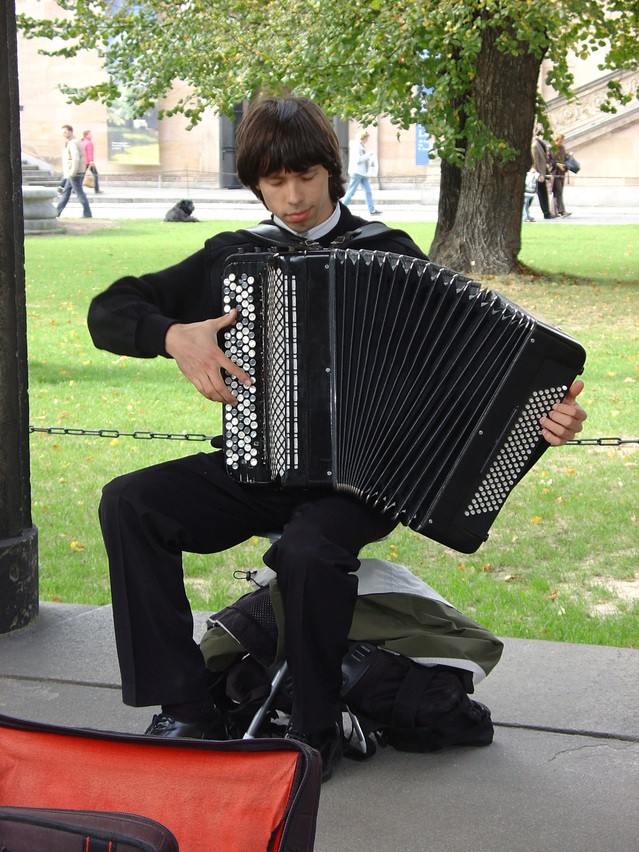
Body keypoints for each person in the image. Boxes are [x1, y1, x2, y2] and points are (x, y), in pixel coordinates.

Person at [87, 96, 587, 782]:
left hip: (367, 478)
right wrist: (173, 336)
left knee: (309, 549)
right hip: (261, 463)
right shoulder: (234, 257)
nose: (291, 197)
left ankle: (314, 728)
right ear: (254, 184)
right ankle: (185, 706)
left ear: (332, 171)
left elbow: (476, 374)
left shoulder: (389, 255)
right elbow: (109, 310)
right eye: (273, 182)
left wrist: (543, 422)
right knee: (130, 502)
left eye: (305, 177)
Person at [342, 129, 381, 214]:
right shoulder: (357, 146)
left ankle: (372, 209)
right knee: (351, 191)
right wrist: (368, 155)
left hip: (362, 173)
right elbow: (358, 160)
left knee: (368, 191)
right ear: (363, 138)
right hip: (357, 172)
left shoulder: (360, 145)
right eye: (366, 138)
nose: (367, 140)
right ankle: (342, 208)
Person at [57, 125, 92, 218]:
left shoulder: (72, 143)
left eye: (65, 132)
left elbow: (75, 158)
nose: (63, 134)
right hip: (75, 172)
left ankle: (87, 213)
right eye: (63, 132)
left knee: (80, 193)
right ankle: (57, 212)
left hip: (75, 173)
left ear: (70, 132)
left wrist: (72, 173)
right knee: (66, 192)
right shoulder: (76, 141)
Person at [531, 129, 555, 220]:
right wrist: (539, 173)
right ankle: (546, 212)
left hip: (542, 172)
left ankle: (547, 212)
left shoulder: (539, 144)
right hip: (539, 173)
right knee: (539, 193)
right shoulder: (535, 145)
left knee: (543, 193)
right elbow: (536, 161)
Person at [550, 133, 571, 217]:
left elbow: (564, 157)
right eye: (560, 140)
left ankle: (554, 211)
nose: (561, 142)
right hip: (554, 172)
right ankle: (561, 211)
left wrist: (568, 156)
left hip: (561, 172)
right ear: (556, 140)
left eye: (562, 140)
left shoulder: (562, 148)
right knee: (558, 190)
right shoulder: (551, 148)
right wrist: (557, 164)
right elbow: (549, 160)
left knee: (558, 192)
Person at [81, 130, 101, 194]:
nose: (91, 135)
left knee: (81, 176)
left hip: (83, 162)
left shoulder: (82, 142)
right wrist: (91, 161)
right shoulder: (89, 143)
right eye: (90, 134)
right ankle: (97, 189)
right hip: (88, 162)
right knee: (95, 175)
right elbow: (90, 153)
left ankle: (75, 189)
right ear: (86, 135)